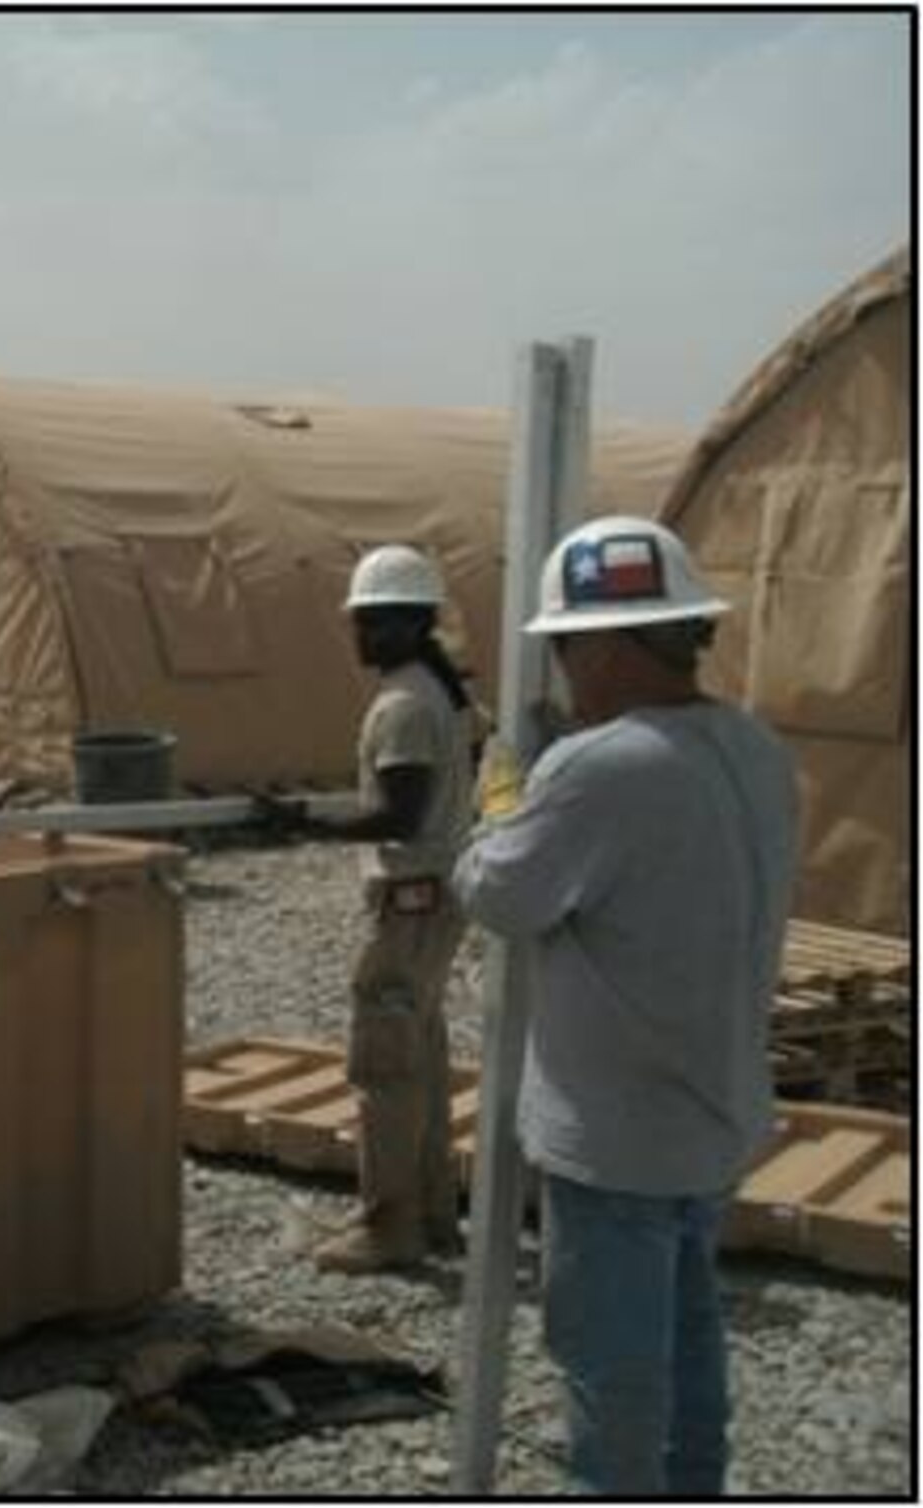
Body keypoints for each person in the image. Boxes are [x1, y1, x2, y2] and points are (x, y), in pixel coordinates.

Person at [452, 515, 797, 1496]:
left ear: (603, 643)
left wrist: (499, 794)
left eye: (563, 645)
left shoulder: (599, 767)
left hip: (614, 1139)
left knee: (610, 1379)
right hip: (708, 1117)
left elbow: (498, 893)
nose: (560, 669)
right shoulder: (750, 745)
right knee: (688, 1357)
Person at [267, 544, 481, 1274]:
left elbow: (401, 815)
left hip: (412, 900)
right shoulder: (439, 692)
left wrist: (300, 824)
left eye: (378, 622)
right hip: (436, 900)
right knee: (418, 1058)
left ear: (415, 623)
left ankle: (389, 1226)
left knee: (385, 1062)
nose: (363, 634)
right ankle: (430, 1215)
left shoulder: (402, 705)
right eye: (362, 620)